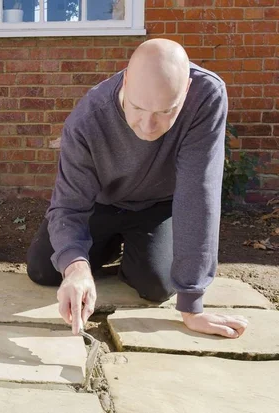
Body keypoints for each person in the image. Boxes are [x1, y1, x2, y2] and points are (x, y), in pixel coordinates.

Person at [26, 39, 249, 339]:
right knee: (45, 268)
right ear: (126, 81)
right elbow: (68, 206)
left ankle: (133, 255)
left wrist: (192, 305)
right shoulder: (88, 119)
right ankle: (100, 254)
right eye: (138, 107)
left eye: (165, 111)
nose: (147, 125)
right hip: (101, 204)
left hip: (157, 206)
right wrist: (76, 268)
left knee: (157, 285)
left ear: (186, 91)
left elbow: (198, 193)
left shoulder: (205, 96)